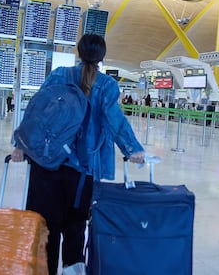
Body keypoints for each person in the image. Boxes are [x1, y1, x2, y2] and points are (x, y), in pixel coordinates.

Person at [11, 34, 145, 275]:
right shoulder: (106, 85)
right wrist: (132, 149)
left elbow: (35, 113)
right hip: (83, 169)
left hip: (46, 163)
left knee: (44, 227)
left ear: (78, 52)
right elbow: (115, 120)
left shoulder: (59, 74)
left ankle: (43, 271)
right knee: (75, 228)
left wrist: (20, 145)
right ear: (102, 57)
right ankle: (72, 271)